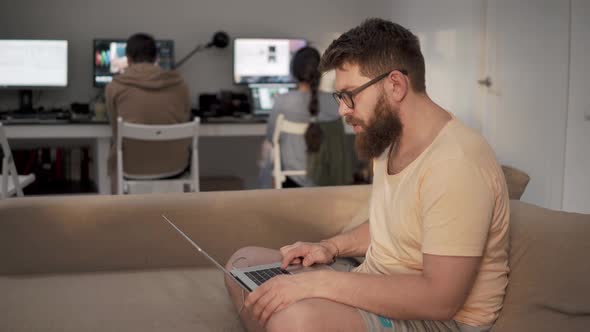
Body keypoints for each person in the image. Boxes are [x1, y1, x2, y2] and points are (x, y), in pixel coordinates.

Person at [225, 18, 510, 332]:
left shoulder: (457, 162)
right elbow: (394, 224)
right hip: (376, 282)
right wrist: (330, 248)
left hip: (433, 318)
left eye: (350, 95)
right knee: (244, 263)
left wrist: (321, 284)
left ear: (395, 85)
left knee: (295, 320)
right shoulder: (390, 140)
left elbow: (440, 299)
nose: (343, 110)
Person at [105, 33, 191, 194]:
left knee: (113, 152)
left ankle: (115, 212)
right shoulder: (180, 84)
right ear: (156, 57)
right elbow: (186, 118)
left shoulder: (114, 87)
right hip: (175, 166)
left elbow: (116, 131)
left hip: (132, 167)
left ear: (128, 59)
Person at [262, 46, 342, 188]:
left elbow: (271, 137)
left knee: (267, 157)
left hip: (291, 179)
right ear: (320, 71)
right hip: (326, 179)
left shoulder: (282, 101)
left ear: (294, 72)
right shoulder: (333, 101)